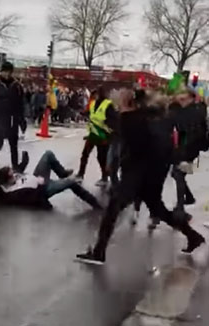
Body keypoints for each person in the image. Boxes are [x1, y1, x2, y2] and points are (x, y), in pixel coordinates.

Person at [76, 89, 205, 265]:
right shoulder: (150, 116)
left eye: (121, 101)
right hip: (153, 170)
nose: (118, 105)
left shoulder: (131, 120)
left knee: (115, 204)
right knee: (158, 209)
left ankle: (99, 253)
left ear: (130, 103)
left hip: (138, 171)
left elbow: (134, 147)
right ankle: (193, 236)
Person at [0, 150, 102, 210]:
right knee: (71, 182)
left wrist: (25, 160)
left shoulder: (10, 180)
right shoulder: (13, 194)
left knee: (48, 154)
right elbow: (32, 200)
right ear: (7, 181)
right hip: (43, 189)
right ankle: (95, 204)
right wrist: (45, 204)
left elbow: (19, 172)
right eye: (12, 176)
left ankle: (62, 173)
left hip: (37, 177)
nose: (15, 176)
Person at [168, 88, 208, 220]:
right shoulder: (188, 109)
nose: (180, 98)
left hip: (187, 149)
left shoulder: (193, 111)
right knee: (177, 174)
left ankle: (180, 209)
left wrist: (183, 150)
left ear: (190, 97)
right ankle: (189, 198)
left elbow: (193, 131)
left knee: (178, 174)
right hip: (187, 148)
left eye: (183, 97)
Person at [76, 87, 116, 187]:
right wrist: (83, 113)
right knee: (85, 154)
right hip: (93, 133)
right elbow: (90, 113)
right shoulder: (93, 103)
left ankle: (105, 177)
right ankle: (80, 175)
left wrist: (110, 133)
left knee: (101, 157)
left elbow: (114, 120)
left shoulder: (108, 105)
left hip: (103, 135)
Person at [0, 62, 24, 169]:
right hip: (0, 118)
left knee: (13, 144)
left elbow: (21, 103)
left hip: (12, 118)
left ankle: (15, 166)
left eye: (8, 72)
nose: (6, 74)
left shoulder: (17, 85)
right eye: (5, 71)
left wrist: (21, 120)